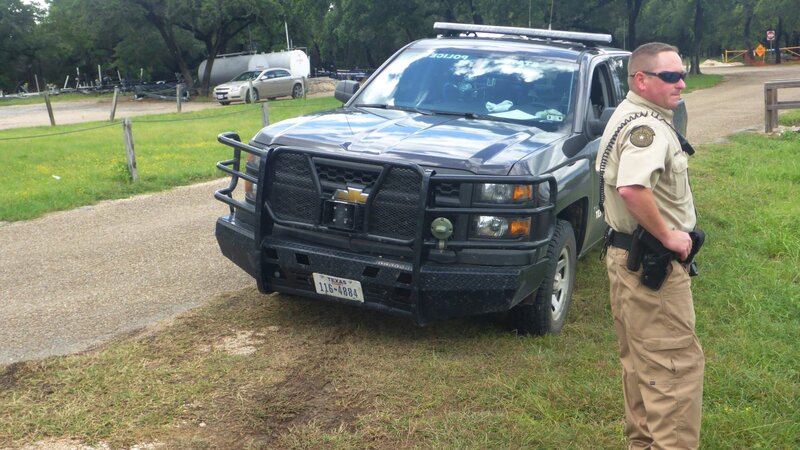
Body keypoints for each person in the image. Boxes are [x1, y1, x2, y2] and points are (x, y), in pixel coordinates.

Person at [595, 42, 704, 449]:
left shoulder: (627, 114)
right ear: (641, 79)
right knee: (673, 369)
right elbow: (632, 189)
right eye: (671, 76)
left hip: (626, 258)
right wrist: (670, 236)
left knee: (641, 365)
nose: (682, 83)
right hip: (651, 267)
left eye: (682, 74)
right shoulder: (649, 128)